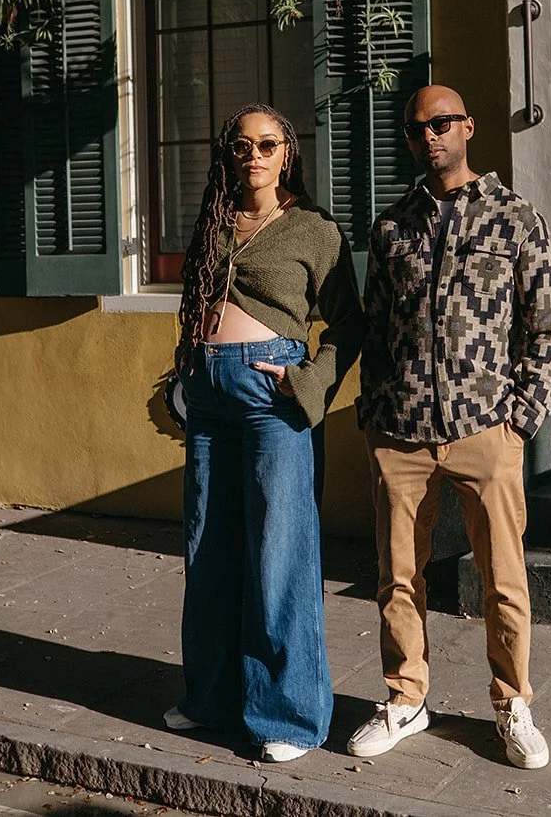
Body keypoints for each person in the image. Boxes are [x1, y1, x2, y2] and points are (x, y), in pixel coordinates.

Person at [351, 84, 551, 769]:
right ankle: (405, 696)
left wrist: (522, 416)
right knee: (398, 575)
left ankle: (512, 704)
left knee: (503, 577)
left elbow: (546, 324)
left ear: (469, 126)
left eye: (442, 123)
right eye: (417, 130)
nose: (430, 136)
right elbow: (374, 328)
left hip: (485, 428)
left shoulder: (515, 218)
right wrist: (373, 416)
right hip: (402, 431)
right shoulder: (392, 226)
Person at [165, 103, 364, 763]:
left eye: (267, 144)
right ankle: (212, 695)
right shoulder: (216, 221)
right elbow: (196, 302)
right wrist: (185, 372)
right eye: (242, 145)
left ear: (288, 153)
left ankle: (288, 714)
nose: (252, 155)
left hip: (270, 396)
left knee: (279, 551)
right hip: (209, 396)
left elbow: (349, 325)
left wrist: (308, 383)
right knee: (208, 547)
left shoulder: (313, 229)